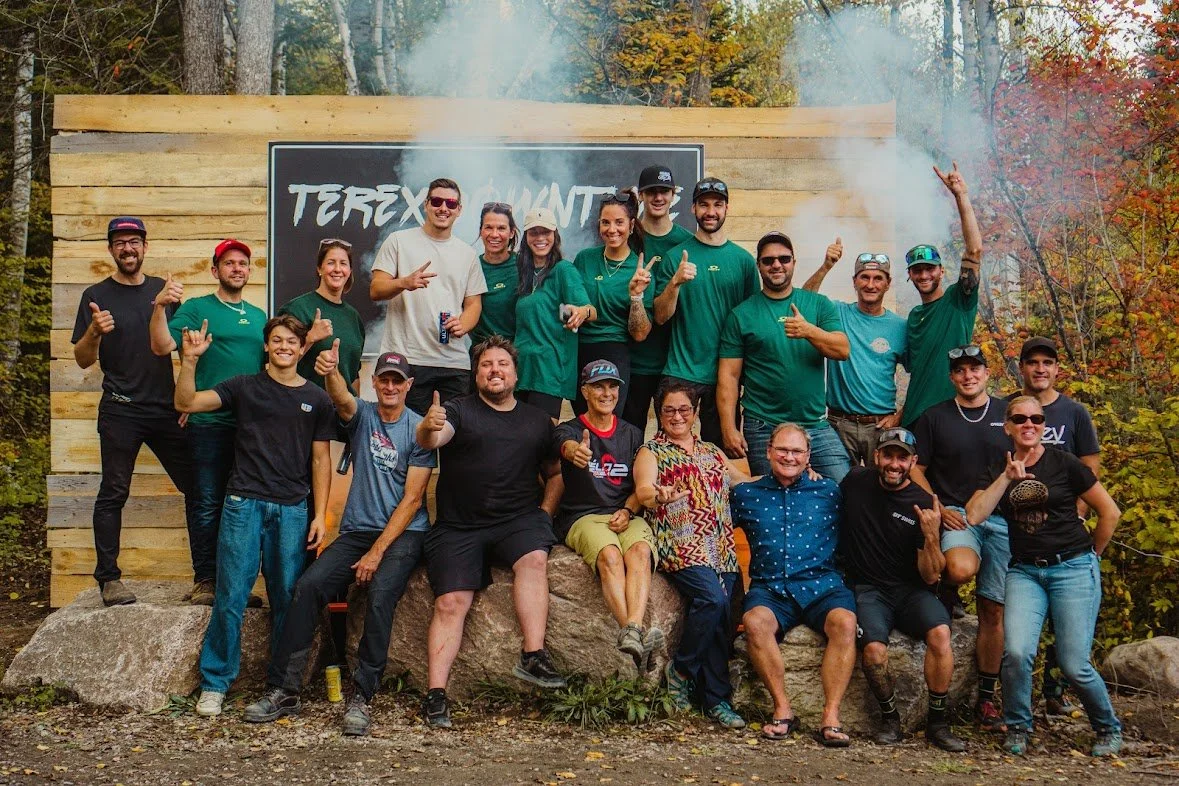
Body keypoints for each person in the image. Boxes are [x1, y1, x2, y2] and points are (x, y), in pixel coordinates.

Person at [243, 349, 435, 737]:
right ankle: (285, 689)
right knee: (308, 586)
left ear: (408, 385)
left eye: (398, 381)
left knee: (380, 594)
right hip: (358, 530)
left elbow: (413, 499)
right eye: (384, 379)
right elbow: (342, 398)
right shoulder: (363, 415)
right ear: (374, 382)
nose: (391, 386)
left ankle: (362, 696)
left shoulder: (419, 430)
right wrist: (330, 371)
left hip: (405, 533)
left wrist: (376, 553)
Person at [175, 315, 335, 718]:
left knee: (286, 599)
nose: (284, 346)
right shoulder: (243, 387)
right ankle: (215, 684)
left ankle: (279, 686)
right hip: (243, 504)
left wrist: (321, 515)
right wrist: (189, 361)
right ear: (267, 346)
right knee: (230, 596)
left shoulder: (316, 398)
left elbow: (321, 459)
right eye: (277, 340)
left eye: (292, 341)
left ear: (302, 348)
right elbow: (186, 403)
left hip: (293, 509)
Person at [415, 336, 566, 728]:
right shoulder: (457, 410)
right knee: (451, 603)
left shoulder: (537, 420)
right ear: (476, 373)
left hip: (517, 521)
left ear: (515, 374)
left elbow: (554, 475)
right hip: (459, 526)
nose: (494, 370)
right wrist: (427, 429)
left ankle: (533, 655)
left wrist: (545, 515)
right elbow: (434, 437)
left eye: (502, 364)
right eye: (486, 364)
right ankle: (436, 694)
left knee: (534, 560)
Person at [966, 396, 1123, 758]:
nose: (1029, 424)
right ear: (1007, 427)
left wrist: (1093, 556)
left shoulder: (1064, 463)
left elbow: (1109, 512)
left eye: (1036, 419)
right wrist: (1006, 478)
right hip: (1025, 572)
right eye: (1020, 418)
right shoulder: (997, 466)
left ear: (1043, 426)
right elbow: (974, 515)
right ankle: (1018, 727)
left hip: (1073, 569)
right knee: (1016, 652)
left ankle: (1107, 728)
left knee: (1074, 664)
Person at [71, 216, 194, 607]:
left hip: (166, 410)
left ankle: (208, 579)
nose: (128, 248)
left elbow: (186, 350)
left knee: (199, 488)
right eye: (120, 242)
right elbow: (82, 360)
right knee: (113, 492)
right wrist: (94, 331)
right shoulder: (96, 295)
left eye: (134, 241)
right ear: (111, 249)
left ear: (145, 247)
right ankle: (109, 579)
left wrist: (188, 400)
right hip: (120, 410)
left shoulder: (162, 291)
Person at [148, 239, 267, 606]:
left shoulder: (259, 317)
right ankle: (205, 581)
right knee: (206, 502)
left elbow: (273, 366)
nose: (237, 268)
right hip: (208, 423)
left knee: (241, 508)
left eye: (242, 263)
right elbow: (161, 346)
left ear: (249, 271)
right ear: (215, 271)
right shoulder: (198, 308)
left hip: (249, 429)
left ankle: (235, 585)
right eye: (229, 263)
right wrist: (159, 306)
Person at [730, 423, 858, 747]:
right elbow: (714, 527)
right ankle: (782, 708)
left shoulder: (830, 491)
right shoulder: (746, 494)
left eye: (797, 451)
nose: (790, 457)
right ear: (768, 452)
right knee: (755, 622)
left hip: (822, 585)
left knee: (845, 623)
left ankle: (831, 716)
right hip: (770, 588)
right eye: (783, 450)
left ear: (808, 456)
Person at [634, 380, 751, 730]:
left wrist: (792, 473)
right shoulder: (651, 452)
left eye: (684, 409)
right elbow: (643, 490)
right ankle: (681, 671)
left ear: (696, 412)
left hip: (721, 548)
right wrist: (659, 496)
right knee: (712, 600)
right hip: (681, 544)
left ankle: (715, 700)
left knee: (722, 615)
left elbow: (742, 482)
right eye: (669, 410)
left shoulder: (712, 451)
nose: (677, 416)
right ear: (659, 414)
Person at [840, 428, 966, 752]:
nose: (894, 464)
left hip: (910, 590)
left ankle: (937, 722)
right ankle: (890, 719)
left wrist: (931, 536)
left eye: (902, 458)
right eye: (888, 455)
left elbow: (931, 575)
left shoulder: (922, 504)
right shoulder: (855, 481)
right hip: (868, 589)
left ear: (913, 462)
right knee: (873, 651)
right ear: (876, 456)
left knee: (940, 634)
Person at [910, 345, 1011, 731]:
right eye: (961, 371)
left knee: (993, 610)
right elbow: (916, 469)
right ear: (952, 377)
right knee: (959, 568)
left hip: (1003, 520)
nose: (968, 376)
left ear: (986, 373)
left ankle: (985, 699)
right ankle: (944, 596)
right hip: (958, 516)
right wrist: (937, 505)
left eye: (975, 369)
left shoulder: (1008, 414)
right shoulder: (935, 417)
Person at [1012, 335, 1102, 716]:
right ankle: (1011, 707)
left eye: (1047, 363)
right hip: (1021, 533)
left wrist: (1080, 513)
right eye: (1033, 362)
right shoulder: (1011, 410)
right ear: (1022, 368)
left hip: (1067, 530)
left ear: (1057, 369)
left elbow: (1090, 466)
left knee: (1067, 632)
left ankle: (1055, 690)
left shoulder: (1074, 412)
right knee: (1018, 632)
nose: (1040, 369)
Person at [717, 231, 850, 480]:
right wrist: (728, 428)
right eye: (768, 260)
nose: (776, 265)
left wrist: (809, 331)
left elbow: (842, 350)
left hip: (814, 424)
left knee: (844, 486)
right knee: (772, 495)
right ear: (759, 266)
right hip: (763, 424)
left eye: (784, 259)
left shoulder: (818, 304)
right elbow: (729, 377)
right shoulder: (741, 315)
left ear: (793, 263)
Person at [554, 359, 661, 670]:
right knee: (611, 556)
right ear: (585, 391)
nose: (607, 393)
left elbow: (639, 485)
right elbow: (564, 445)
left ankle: (632, 632)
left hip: (624, 513)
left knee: (640, 552)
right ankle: (636, 631)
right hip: (583, 515)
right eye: (598, 386)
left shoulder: (632, 434)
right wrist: (575, 451)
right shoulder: (570, 429)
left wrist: (628, 510)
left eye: (612, 386)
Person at [653, 178, 758, 444]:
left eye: (717, 205)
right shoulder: (675, 258)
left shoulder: (744, 261)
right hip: (680, 371)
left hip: (725, 376)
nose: (710, 211)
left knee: (723, 451)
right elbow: (660, 316)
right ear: (693, 208)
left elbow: (752, 322)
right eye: (704, 205)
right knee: (669, 450)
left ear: (727, 208)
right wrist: (675, 283)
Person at [370, 177, 487, 413]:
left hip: (453, 363)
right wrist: (404, 282)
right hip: (407, 359)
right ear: (426, 204)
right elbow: (376, 289)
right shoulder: (399, 241)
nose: (443, 208)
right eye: (437, 201)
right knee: (410, 431)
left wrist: (463, 324)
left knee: (452, 431)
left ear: (459, 210)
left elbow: (474, 304)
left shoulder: (467, 254)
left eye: (450, 204)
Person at [802, 246, 909, 465]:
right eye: (864, 277)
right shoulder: (837, 313)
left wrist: (900, 415)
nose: (870, 284)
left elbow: (921, 375)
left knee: (880, 484)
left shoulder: (900, 327)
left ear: (888, 283)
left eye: (878, 278)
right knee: (841, 483)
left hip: (881, 425)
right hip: (838, 423)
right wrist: (826, 266)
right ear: (854, 281)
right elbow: (805, 303)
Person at [900, 163, 984, 428]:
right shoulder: (913, 317)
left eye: (930, 269)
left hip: (952, 416)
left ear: (941, 271)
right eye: (917, 270)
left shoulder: (957, 300)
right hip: (915, 420)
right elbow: (920, 374)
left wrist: (961, 196)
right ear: (910, 275)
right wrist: (900, 414)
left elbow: (974, 251)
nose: (924, 275)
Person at [622, 164, 694, 431]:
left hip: (673, 363)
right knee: (630, 433)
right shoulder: (628, 238)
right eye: (651, 191)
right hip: (634, 360)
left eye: (664, 191)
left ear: (674, 194)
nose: (658, 197)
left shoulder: (686, 242)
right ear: (641, 195)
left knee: (672, 437)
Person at [572, 191, 655, 415]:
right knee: (583, 421)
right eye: (605, 222)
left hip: (615, 352)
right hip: (579, 351)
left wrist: (636, 296)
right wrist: (572, 313)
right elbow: (567, 306)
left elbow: (640, 334)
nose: (612, 229)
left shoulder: (640, 271)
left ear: (631, 225)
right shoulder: (584, 259)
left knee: (608, 421)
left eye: (619, 222)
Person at [513, 207, 594, 419]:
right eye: (534, 232)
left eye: (546, 232)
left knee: (542, 434)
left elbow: (590, 310)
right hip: (521, 370)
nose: (540, 238)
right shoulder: (522, 272)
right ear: (526, 237)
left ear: (555, 235)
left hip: (549, 372)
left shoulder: (563, 270)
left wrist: (581, 312)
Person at [277, 238, 365, 392]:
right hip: (305, 402)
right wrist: (310, 338)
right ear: (319, 268)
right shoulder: (297, 309)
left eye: (343, 263)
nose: (337, 269)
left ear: (350, 271)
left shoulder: (353, 317)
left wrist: (355, 405)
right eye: (331, 263)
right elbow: (276, 364)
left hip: (343, 405)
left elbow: (354, 375)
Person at [471, 202, 520, 345]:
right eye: (488, 227)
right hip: (482, 352)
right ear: (481, 231)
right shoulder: (471, 267)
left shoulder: (525, 265)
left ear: (511, 233)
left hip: (518, 352)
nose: (494, 234)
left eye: (501, 228)